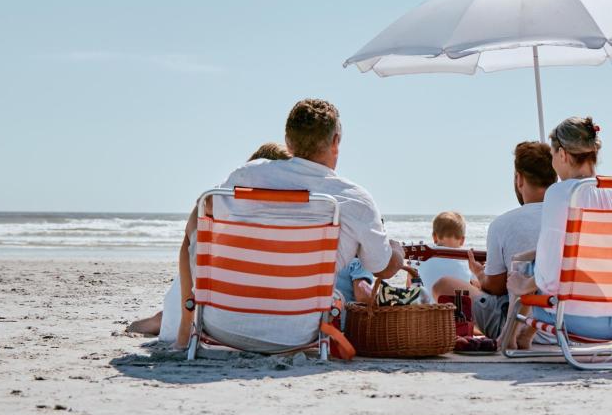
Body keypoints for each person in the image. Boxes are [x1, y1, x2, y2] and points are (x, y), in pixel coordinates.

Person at [154, 99, 406, 349]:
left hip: (221, 325)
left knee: (197, 221)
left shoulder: (246, 176)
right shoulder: (354, 199)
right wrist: (397, 251)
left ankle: (187, 325)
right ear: (335, 141)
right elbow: (381, 268)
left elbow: (202, 207)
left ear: (287, 141)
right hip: (296, 334)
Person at [125, 141, 291, 337]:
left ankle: (161, 320)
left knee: (199, 248)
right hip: (283, 328)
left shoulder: (223, 209)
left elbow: (193, 233)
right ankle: (159, 320)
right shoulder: (301, 223)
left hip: (216, 318)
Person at [511, 116, 612, 344]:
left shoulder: (561, 193)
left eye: (553, 155)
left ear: (562, 154)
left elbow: (550, 278)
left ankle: (511, 338)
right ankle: (523, 336)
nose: (553, 163)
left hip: (579, 320)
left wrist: (523, 284)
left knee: (531, 266)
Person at [432, 141, 556, 339]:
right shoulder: (572, 218)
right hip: (571, 328)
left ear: (519, 179)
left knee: (444, 284)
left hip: (521, 326)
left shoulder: (504, 223)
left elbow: (496, 287)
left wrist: (481, 276)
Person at [415, 211, 473, 303]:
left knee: (412, 276)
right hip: (457, 313)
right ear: (462, 240)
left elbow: (411, 287)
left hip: (425, 312)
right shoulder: (467, 262)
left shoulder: (419, 258)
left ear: (434, 237)